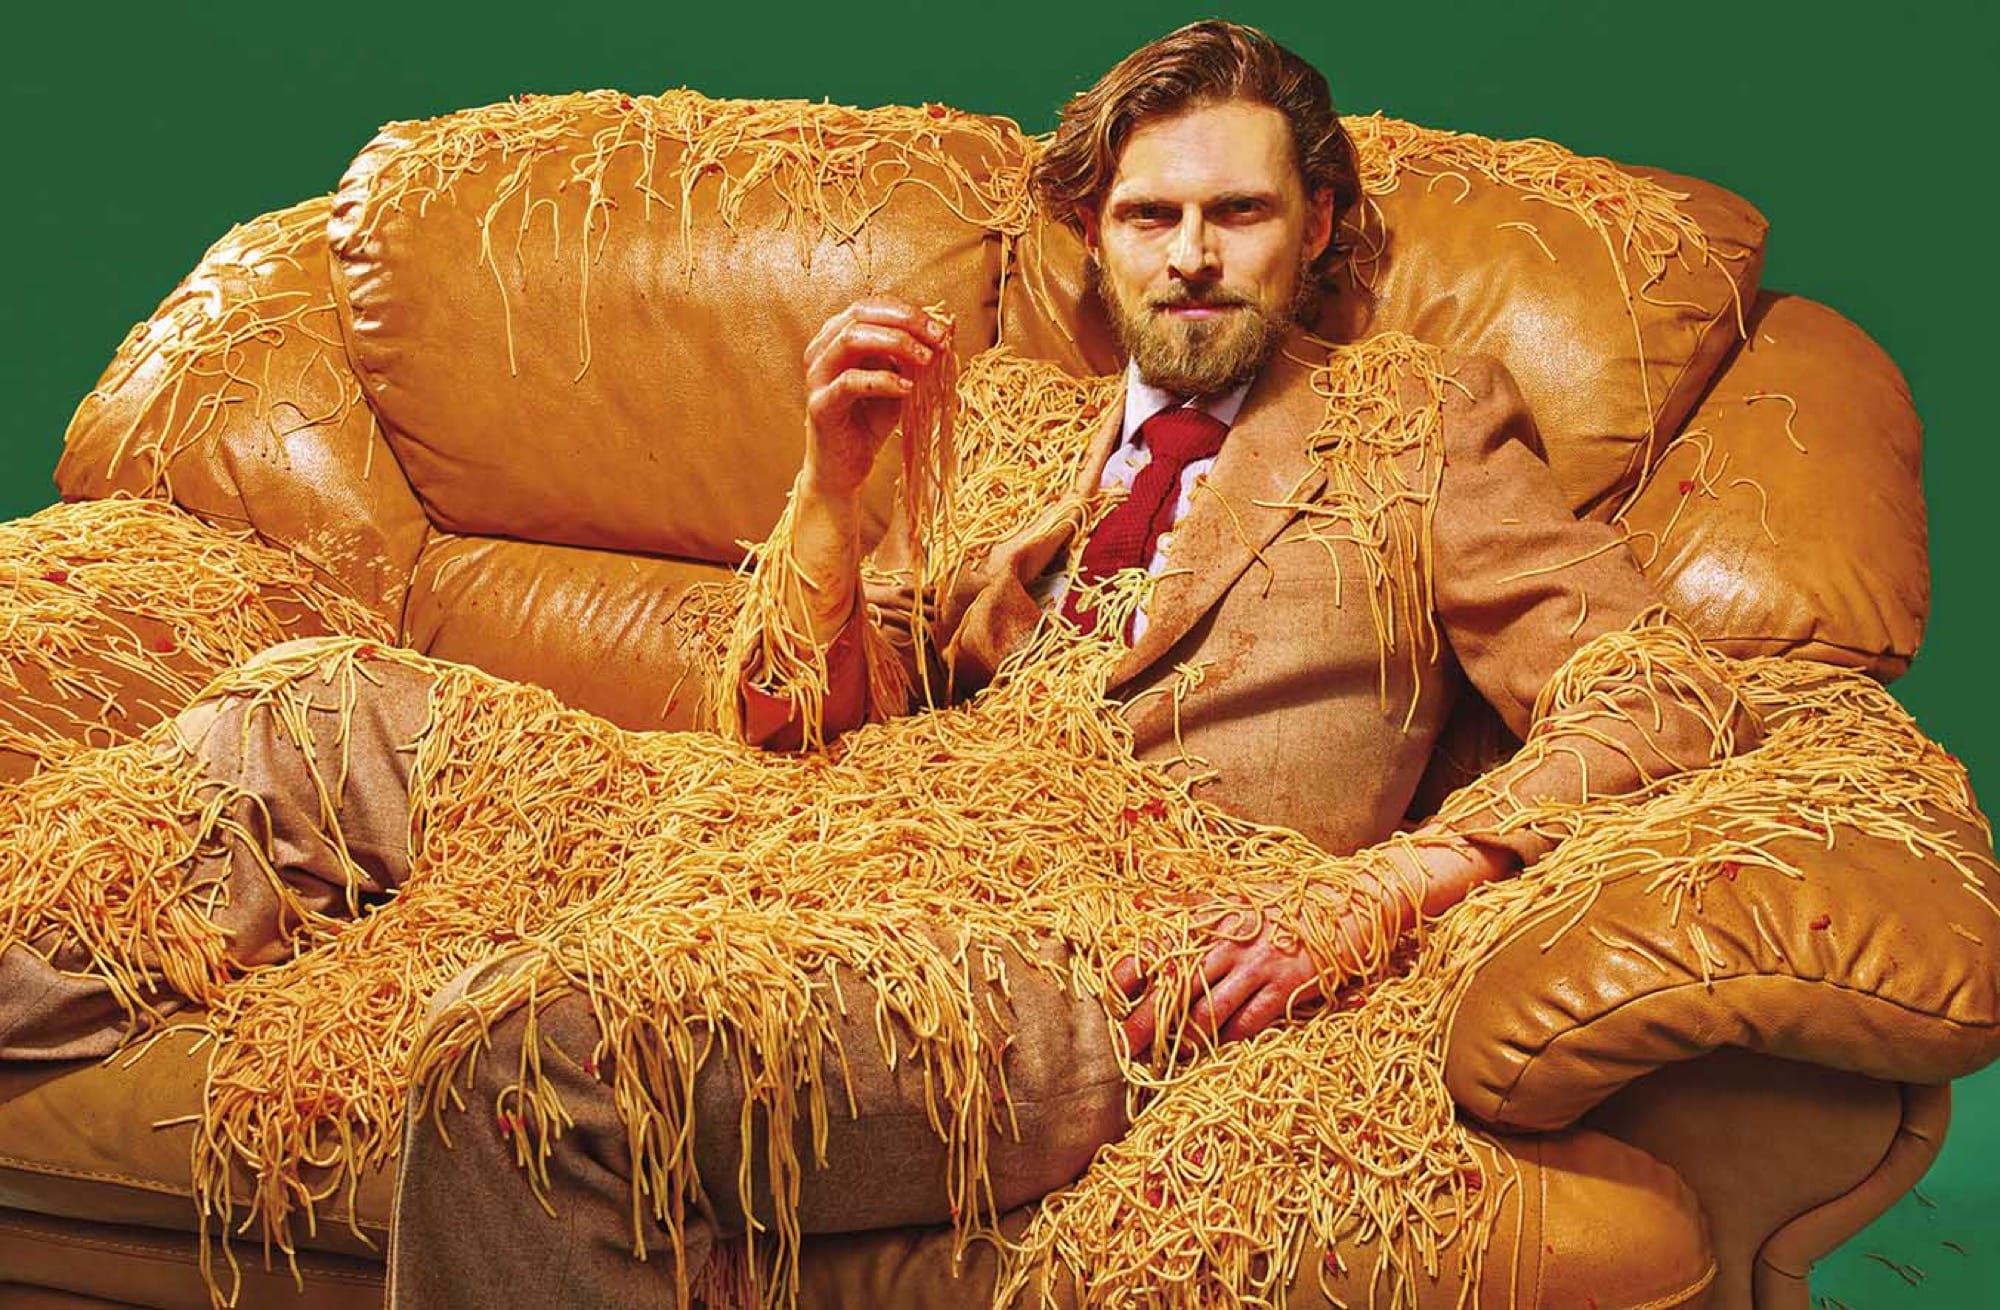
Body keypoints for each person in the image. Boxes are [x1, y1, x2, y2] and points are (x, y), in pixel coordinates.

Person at [384, 19, 1744, 1309]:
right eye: (1152, 216)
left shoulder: (1416, 422)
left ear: (1313, 226)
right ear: (1097, 237)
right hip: (818, 882)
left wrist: (1395, 883)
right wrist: (829, 478)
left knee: (526, 1050)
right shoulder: (1013, 425)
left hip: (1081, 968)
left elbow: (1657, 691)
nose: (1193, 255)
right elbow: (796, 717)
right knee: (334, 709)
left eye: (1240, 213)